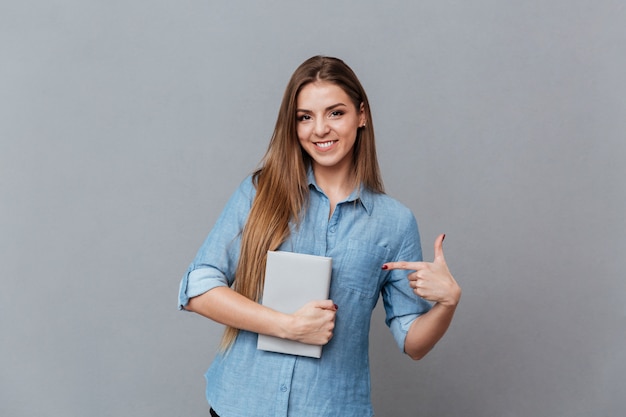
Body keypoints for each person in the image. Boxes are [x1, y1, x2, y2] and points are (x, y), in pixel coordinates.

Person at [178, 55, 461, 417]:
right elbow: (196, 288)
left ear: (362, 115)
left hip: (331, 408)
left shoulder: (394, 222)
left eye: (335, 113)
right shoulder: (259, 192)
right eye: (305, 117)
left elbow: (413, 342)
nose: (320, 129)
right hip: (240, 403)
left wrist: (447, 304)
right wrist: (288, 326)